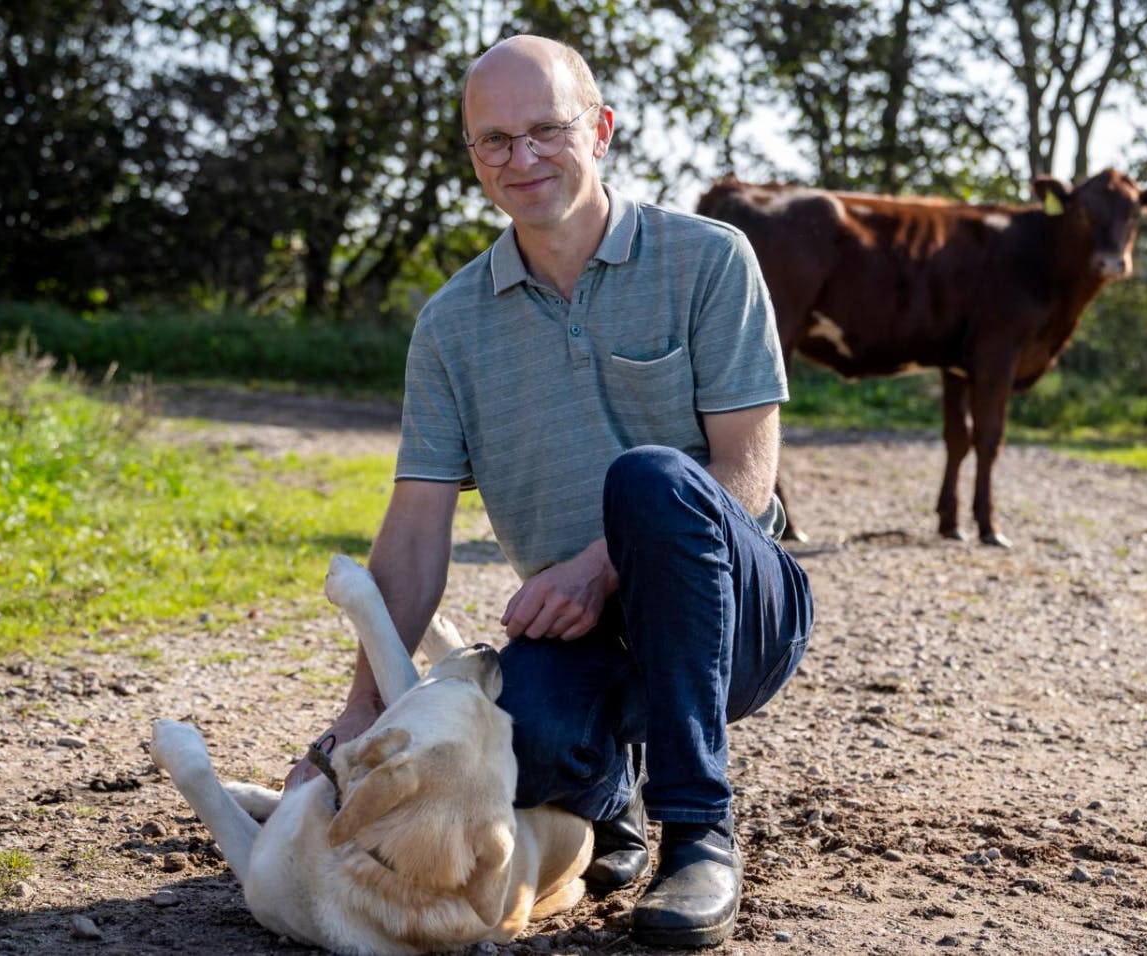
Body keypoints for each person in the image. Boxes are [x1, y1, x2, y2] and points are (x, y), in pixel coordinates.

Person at [287, 34, 814, 948]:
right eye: (494, 140)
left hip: (732, 612)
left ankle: (697, 834)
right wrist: (361, 712)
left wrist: (595, 567)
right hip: (581, 638)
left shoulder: (710, 260)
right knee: (494, 748)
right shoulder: (451, 325)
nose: (521, 158)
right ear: (472, 155)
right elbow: (414, 534)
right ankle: (607, 801)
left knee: (650, 478)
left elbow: (746, 475)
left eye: (545, 130)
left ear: (600, 129)